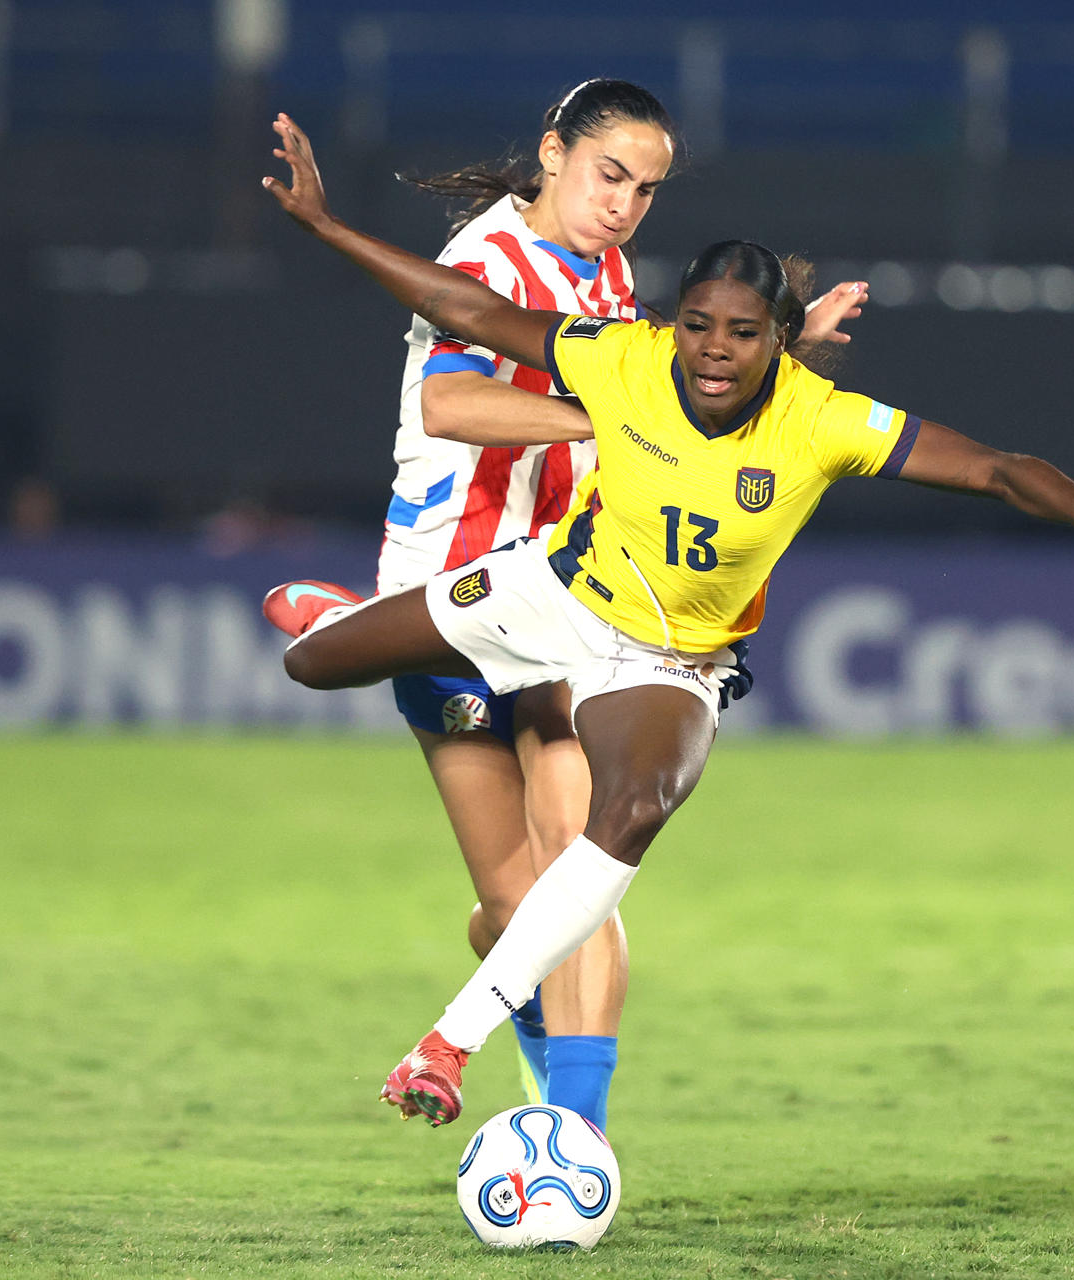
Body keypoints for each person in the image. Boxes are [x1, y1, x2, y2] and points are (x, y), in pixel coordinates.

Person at [260, 111, 1074, 1129]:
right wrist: (322, 225)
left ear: (777, 342)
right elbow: (464, 313)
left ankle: (526, 1103)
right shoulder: (618, 349)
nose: (714, 351)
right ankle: (354, 622)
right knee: (337, 696)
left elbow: (994, 468)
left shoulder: (814, 413)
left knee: (613, 825)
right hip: (538, 588)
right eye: (701, 328)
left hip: (658, 660)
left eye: (745, 333)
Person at [263, 81, 868, 1135]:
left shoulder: (610, 272)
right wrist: (607, 411)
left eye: (646, 187)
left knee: (581, 864)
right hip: (450, 589)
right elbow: (450, 405)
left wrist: (783, 354)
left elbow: (677, 387)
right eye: (611, 174)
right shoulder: (486, 262)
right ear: (554, 152)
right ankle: (354, 624)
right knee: (510, 911)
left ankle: (571, 1136)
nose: (627, 202)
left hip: (568, 595)